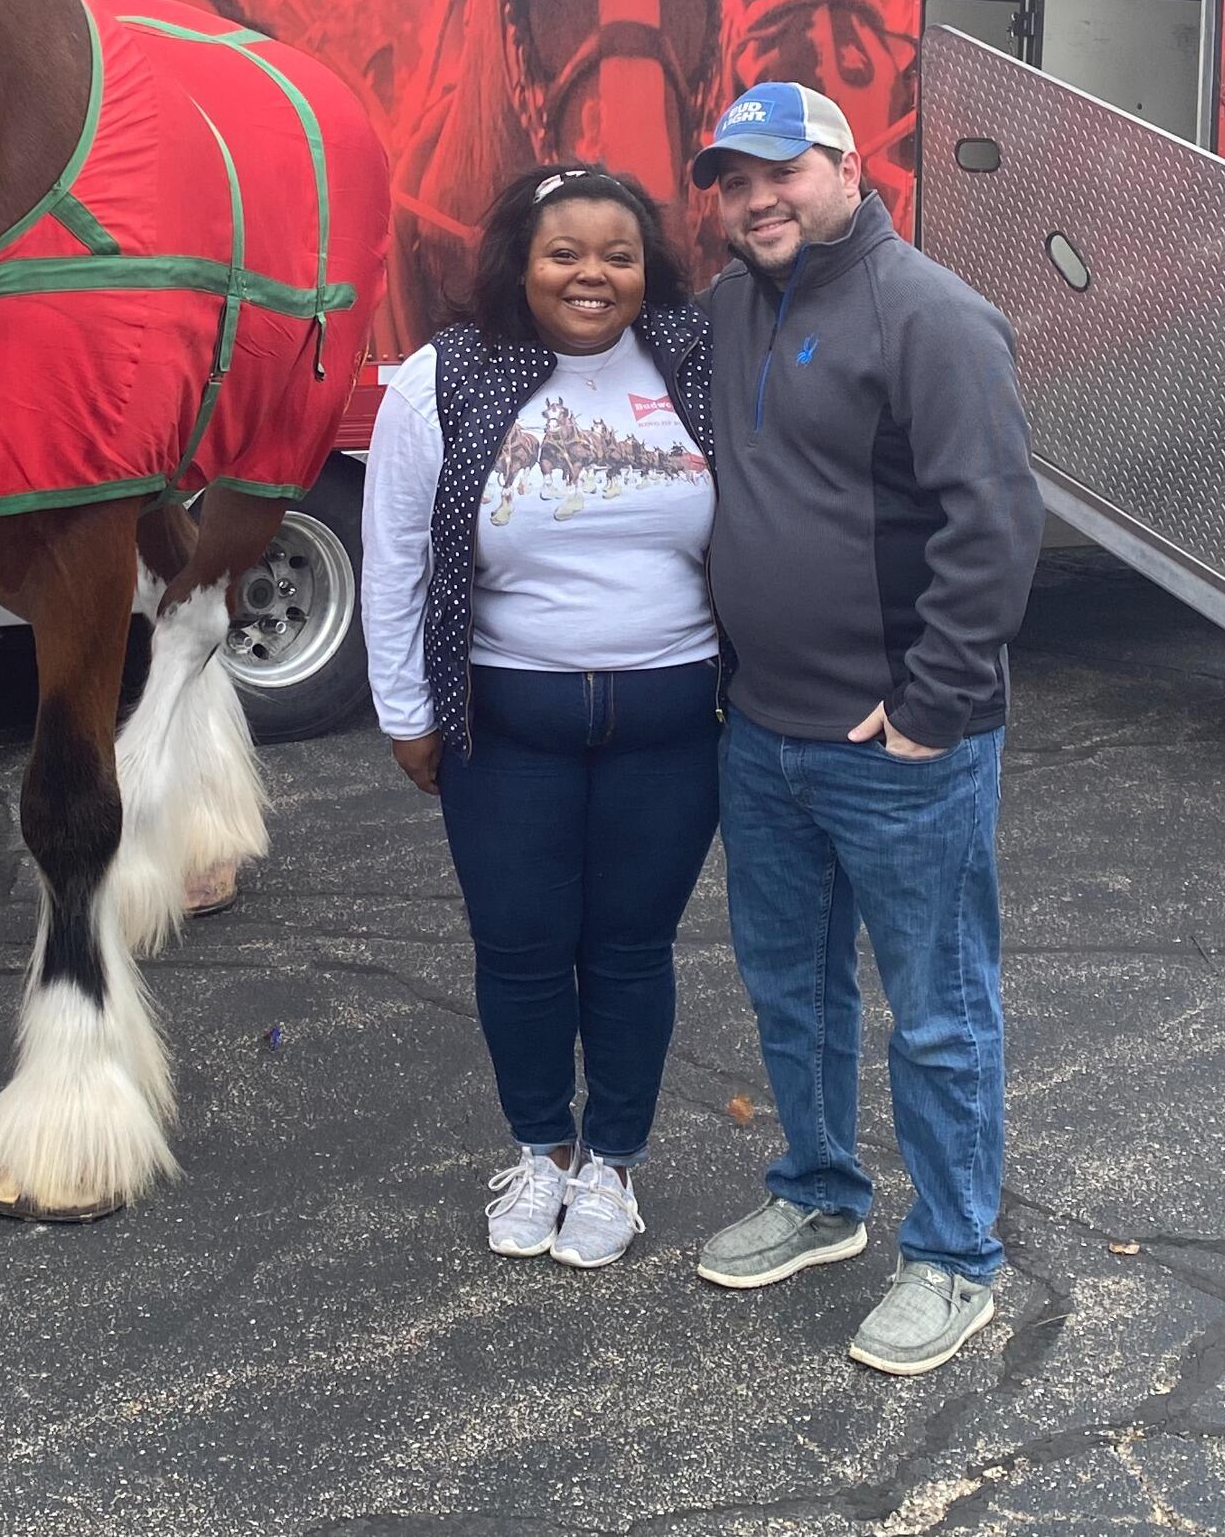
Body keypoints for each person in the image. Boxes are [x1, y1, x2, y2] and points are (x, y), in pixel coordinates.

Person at [689, 83, 1044, 1376]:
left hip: (895, 748)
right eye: (731, 181)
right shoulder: (727, 308)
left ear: (847, 167)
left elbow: (992, 523)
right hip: (763, 735)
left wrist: (929, 712)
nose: (754, 198)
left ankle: (952, 1259)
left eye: (779, 170)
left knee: (937, 1013)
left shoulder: (930, 317)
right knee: (790, 990)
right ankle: (818, 1196)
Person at [362, 164, 719, 1268]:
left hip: (675, 721)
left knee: (629, 949)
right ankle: (539, 1153)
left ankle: (612, 1162)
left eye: (618, 252)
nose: (592, 275)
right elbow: (397, 557)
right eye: (565, 251)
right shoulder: (447, 378)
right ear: (520, 258)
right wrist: (407, 712)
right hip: (507, 725)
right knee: (519, 952)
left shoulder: (693, 359)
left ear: (647, 265)